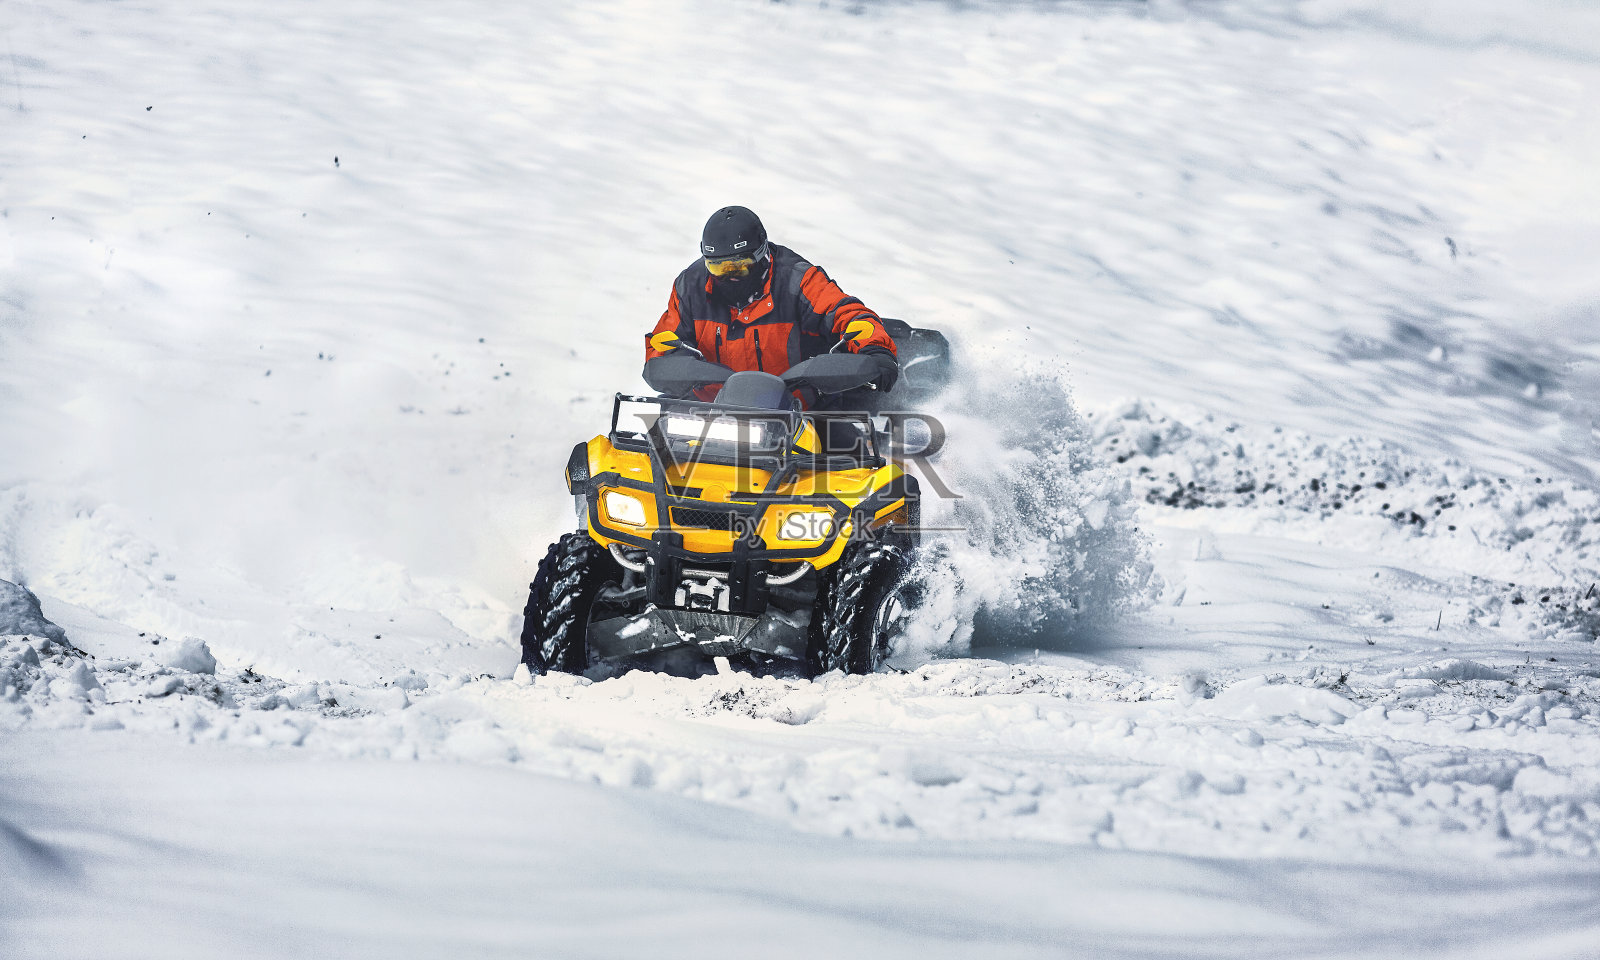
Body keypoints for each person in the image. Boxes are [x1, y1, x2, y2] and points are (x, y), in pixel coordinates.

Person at [644, 206, 898, 406]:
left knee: (850, 449)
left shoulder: (797, 281)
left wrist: (874, 347)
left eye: (739, 266)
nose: (729, 276)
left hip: (799, 413)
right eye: (718, 267)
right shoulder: (691, 287)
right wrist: (671, 364)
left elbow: (847, 314)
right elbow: (663, 342)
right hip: (711, 415)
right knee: (655, 441)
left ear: (762, 254)